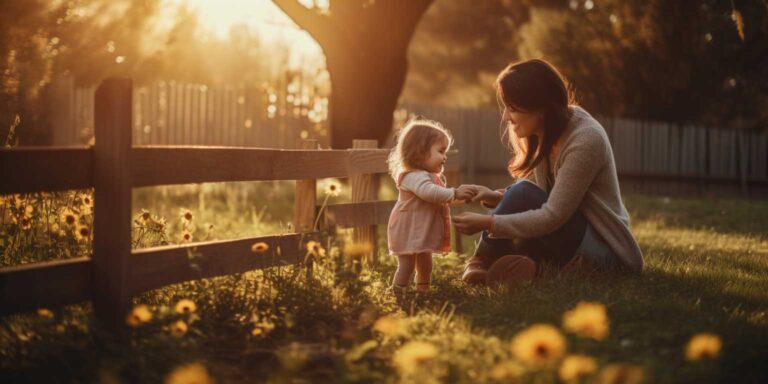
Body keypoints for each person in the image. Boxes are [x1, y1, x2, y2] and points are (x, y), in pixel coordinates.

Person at [452, 59, 643, 289]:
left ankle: (482, 260)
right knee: (522, 202)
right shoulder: (547, 131)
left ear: (540, 108)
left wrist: (489, 223)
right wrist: (494, 197)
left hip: (605, 250)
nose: (505, 118)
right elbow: (543, 196)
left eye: (512, 108)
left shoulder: (585, 140)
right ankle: (529, 268)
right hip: (571, 234)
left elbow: (552, 214)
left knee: (521, 195)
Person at [386, 118, 474, 300]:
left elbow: (440, 197)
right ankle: (398, 294)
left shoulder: (428, 177)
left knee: (425, 263)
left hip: (419, 230)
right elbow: (429, 193)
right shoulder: (412, 176)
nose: (445, 157)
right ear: (420, 151)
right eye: (441, 151)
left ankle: (423, 290)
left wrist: (460, 198)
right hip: (408, 229)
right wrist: (455, 193)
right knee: (407, 265)